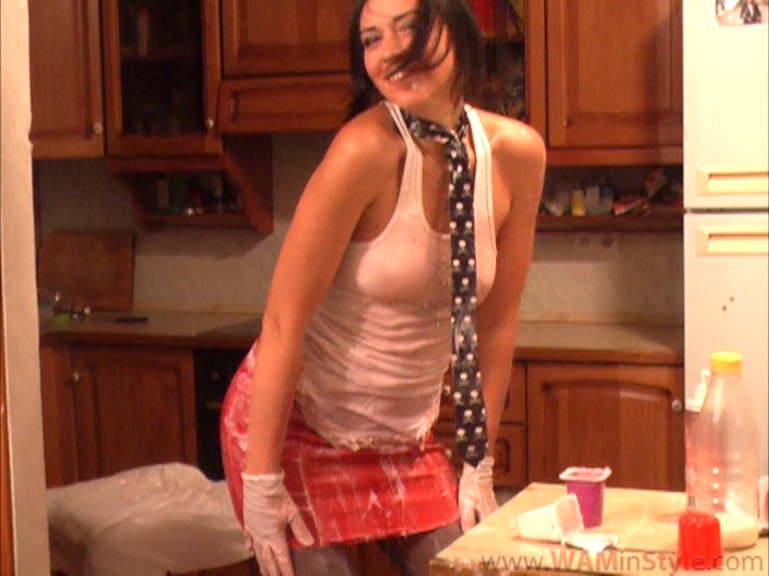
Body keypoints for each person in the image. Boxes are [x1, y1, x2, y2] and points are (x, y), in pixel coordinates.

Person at [219, 0, 546, 574]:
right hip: (294, 431)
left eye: (410, 28)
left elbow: (496, 323)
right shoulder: (362, 151)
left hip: (404, 441)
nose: (391, 53)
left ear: (460, 26)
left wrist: (479, 460)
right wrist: (262, 481)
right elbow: (283, 322)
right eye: (371, 39)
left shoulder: (518, 155)